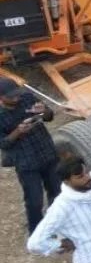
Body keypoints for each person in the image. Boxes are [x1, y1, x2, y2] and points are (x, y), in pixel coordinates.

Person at [0, 78, 59, 234]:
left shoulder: (27, 98)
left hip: (47, 153)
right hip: (26, 163)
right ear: (1, 98)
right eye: (11, 97)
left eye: (17, 94)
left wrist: (43, 111)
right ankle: (37, 233)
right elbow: (3, 144)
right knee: (34, 201)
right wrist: (18, 132)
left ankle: (57, 224)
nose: (16, 98)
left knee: (57, 192)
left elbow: (50, 116)